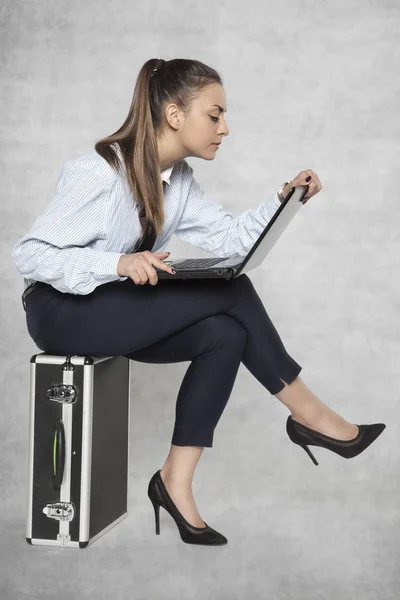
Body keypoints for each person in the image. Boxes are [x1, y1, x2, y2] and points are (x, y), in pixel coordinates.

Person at [11, 58, 385, 546]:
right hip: (63, 312)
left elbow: (231, 240)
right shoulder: (98, 173)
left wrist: (283, 201)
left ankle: (174, 482)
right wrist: (117, 264)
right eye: (215, 115)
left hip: (114, 311)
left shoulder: (178, 181)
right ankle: (311, 418)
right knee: (229, 290)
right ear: (173, 115)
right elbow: (31, 255)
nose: (224, 129)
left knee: (224, 334)